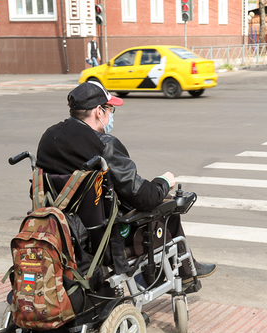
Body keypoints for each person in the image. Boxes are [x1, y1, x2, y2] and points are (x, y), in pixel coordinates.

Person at [36, 81, 216, 289]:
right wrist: (163, 182)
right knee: (168, 208)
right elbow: (143, 197)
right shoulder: (103, 144)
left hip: (60, 230)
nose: (111, 115)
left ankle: (166, 274)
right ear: (98, 111)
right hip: (103, 239)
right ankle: (180, 273)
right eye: (110, 109)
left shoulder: (49, 137)